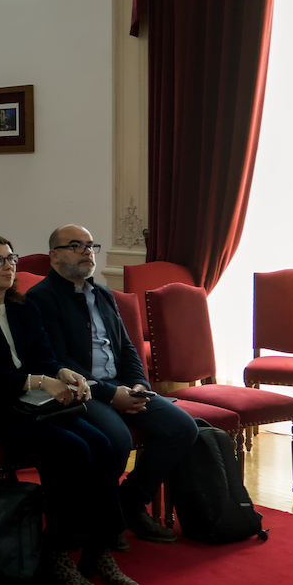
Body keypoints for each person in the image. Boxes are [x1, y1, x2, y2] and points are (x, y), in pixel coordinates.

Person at [0, 235, 135, 585]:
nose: (8, 266)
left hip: (33, 401)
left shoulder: (22, 307)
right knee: (71, 449)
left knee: (99, 442)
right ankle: (58, 550)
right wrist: (38, 380)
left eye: (11, 258)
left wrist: (62, 373)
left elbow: (44, 356)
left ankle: (98, 548)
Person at [25, 225, 195, 546]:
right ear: (54, 255)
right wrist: (110, 394)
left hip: (121, 386)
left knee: (182, 427)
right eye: (76, 245)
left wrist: (139, 385)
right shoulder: (41, 298)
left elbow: (127, 348)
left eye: (90, 245)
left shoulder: (102, 294)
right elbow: (57, 361)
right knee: (115, 440)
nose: (87, 251)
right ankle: (102, 517)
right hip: (81, 392)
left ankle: (128, 503)